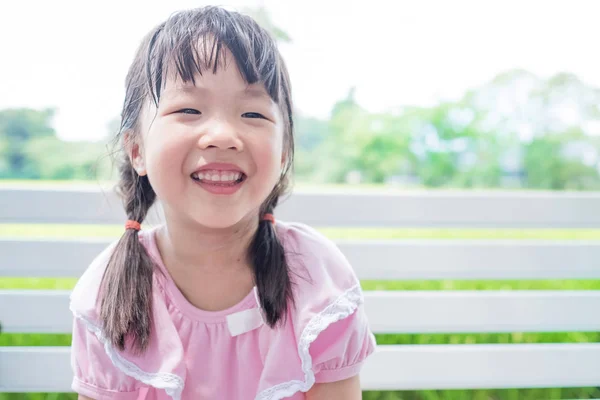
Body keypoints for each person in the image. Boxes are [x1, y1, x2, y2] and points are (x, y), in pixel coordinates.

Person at [69, 6, 376, 400]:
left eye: (252, 113)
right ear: (136, 149)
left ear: (283, 154)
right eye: (188, 110)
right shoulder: (110, 291)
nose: (222, 135)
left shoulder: (316, 276)